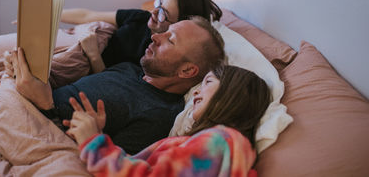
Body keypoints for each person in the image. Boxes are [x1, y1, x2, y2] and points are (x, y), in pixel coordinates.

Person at [5, 17, 225, 154]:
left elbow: (101, 163)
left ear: (187, 71)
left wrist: (45, 104)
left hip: (33, 121)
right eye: (165, 31)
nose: (156, 36)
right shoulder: (134, 69)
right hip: (25, 96)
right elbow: (108, 90)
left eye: (171, 40)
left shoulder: (158, 115)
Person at [66, 64, 272, 176]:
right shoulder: (215, 142)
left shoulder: (222, 140)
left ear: (231, 94)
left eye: (208, 82)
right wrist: (98, 135)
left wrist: (93, 143)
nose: (197, 92)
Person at [61, 0, 223, 72]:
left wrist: (93, 55)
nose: (153, 12)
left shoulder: (157, 55)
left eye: (163, 13)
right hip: (78, 42)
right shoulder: (141, 17)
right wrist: (51, 12)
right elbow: (87, 15)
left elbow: (111, 82)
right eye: (159, 2)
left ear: (179, 25)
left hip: (85, 63)